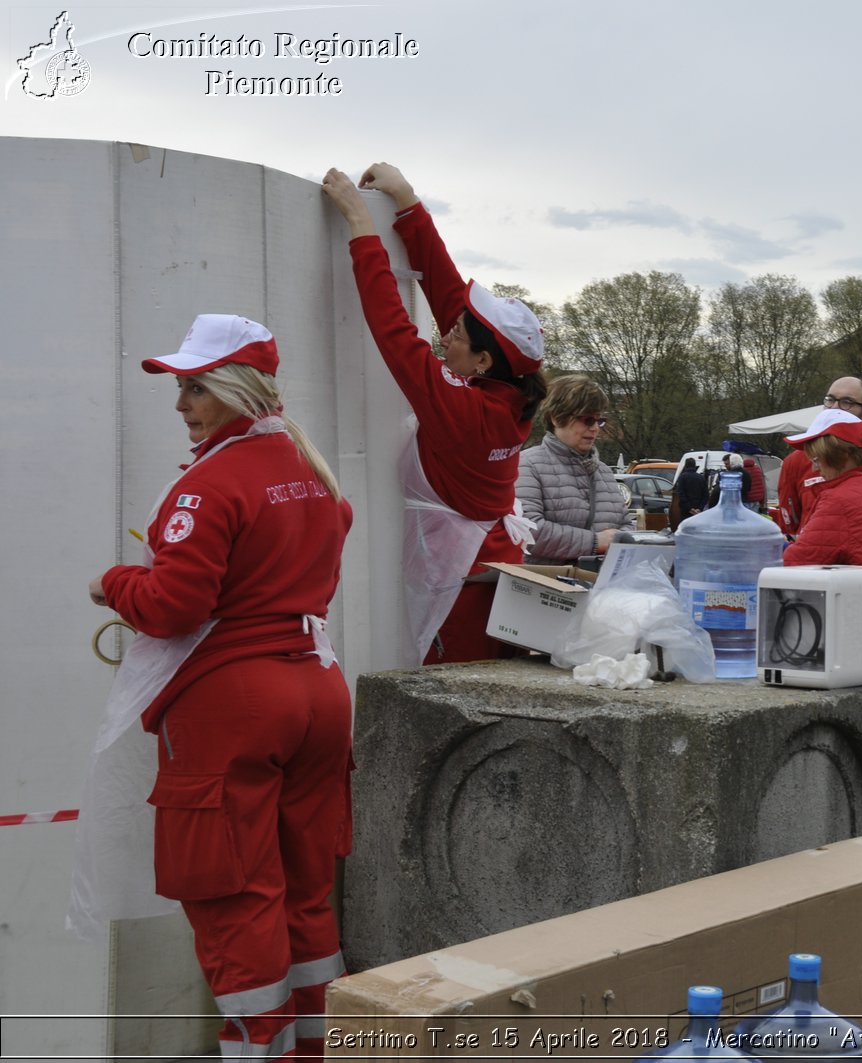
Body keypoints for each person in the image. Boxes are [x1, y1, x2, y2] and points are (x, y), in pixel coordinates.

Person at [87, 315, 354, 1060]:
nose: (181, 404)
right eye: (181, 387)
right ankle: (315, 1049)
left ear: (238, 389)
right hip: (318, 691)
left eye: (196, 387)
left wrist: (114, 583)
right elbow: (336, 523)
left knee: (235, 899)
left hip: (234, 704)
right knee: (305, 890)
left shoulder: (208, 484)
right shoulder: (306, 464)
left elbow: (176, 606)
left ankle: (252, 1052)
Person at [323, 164, 547, 665]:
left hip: (461, 582)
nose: (445, 334)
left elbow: (393, 329)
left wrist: (361, 226)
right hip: (491, 565)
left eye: (458, 335)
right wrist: (407, 204)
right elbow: (449, 297)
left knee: (454, 696)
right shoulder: (504, 392)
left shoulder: (464, 409)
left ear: (485, 360)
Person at [780, 408, 862, 681]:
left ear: (838, 455)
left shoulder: (842, 500)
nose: (814, 467)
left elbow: (794, 562)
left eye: (816, 457)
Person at [516, 374, 635, 563]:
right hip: (545, 585)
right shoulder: (527, 464)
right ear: (556, 418)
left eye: (599, 420)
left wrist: (622, 539)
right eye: (587, 420)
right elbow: (527, 531)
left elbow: (626, 525)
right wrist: (595, 542)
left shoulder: (603, 471)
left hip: (600, 586)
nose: (595, 428)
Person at [776, 378, 862, 539]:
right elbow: (790, 524)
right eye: (830, 400)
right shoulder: (796, 460)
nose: (834, 407)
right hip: (812, 554)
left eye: (846, 402)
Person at [670, 457, 708, 531]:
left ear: (686, 465)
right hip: (698, 511)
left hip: (686, 511)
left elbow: (681, 494)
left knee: (685, 530)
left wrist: (690, 508)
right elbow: (705, 495)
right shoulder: (701, 478)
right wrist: (699, 508)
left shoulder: (682, 477)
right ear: (694, 465)